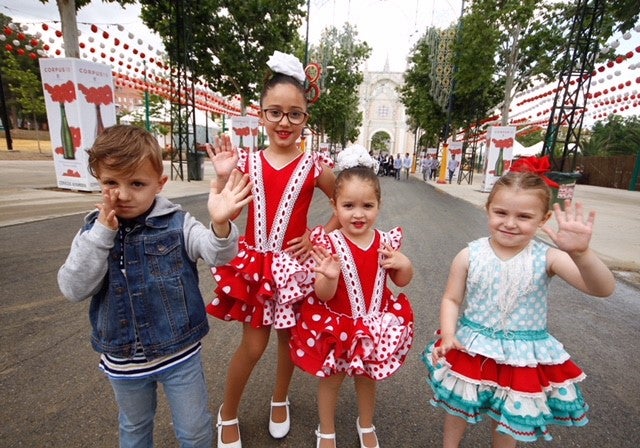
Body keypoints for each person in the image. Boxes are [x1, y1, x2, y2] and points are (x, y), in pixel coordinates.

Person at [57, 124, 252, 448]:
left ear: (160, 183)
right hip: (123, 359)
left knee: (194, 431)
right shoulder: (93, 231)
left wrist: (220, 223)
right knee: (134, 429)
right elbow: (73, 288)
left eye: (136, 183)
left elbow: (218, 255)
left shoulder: (177, 223)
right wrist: (102, 236)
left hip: (179, 354)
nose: (122, 194)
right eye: (110, 183)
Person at [421, 169, 616, 448]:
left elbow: (602, 288)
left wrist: (582, 255)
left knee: (510, 418)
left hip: (521, 357)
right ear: (487, 209)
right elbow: (451, 299)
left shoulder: (548, 257)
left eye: (524, 216)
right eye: (501, 213)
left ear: (544, 219)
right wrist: (449, 334)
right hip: (471, 348)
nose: (510, 223)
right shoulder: (469, 255)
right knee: (458, 404)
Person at [205, 51, 339, 448]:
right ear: (261, 114)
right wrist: (222, 181)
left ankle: (279, 399)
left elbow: (341, 206)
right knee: (254, 343)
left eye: (294, 114)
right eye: (275, 112)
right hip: (256, 267)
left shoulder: (316, 166)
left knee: (289, 341)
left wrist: (316, 236)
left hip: (295, 269)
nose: (285, 122)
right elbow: (223, 212)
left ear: (305, 120)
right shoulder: (245, 161)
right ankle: (227, 412)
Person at [290, 145, 415, 448]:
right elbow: (322, 295)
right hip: (339, 327)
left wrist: (405, 265)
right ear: (335, 206)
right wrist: (328, 277)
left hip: (372, 326)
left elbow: (401, 280)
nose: (358, 215)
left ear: (378, 205)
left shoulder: (386, 241)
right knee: (331, 380)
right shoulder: (328, 243)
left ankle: (367, 423)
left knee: (367, 378)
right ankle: (327, 429)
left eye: (367, 206)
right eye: (349, 206)